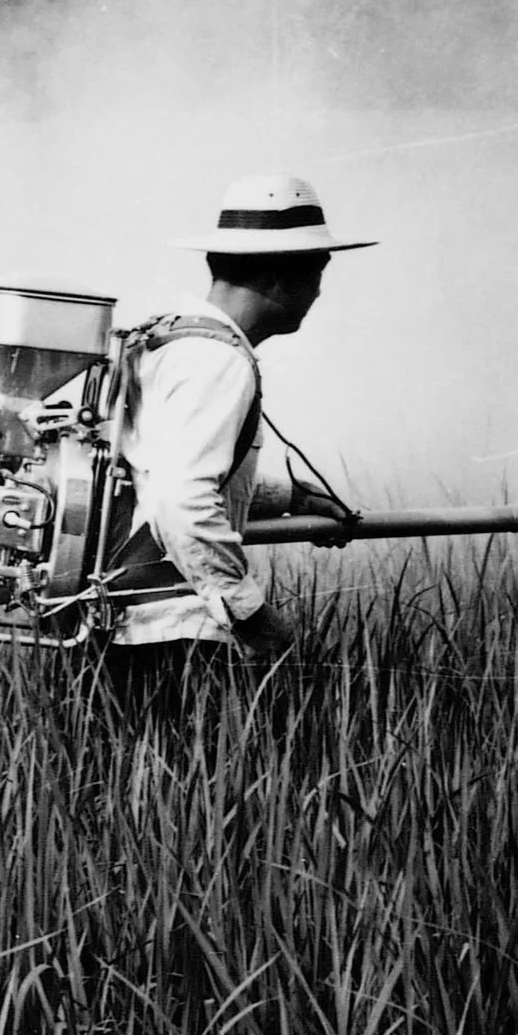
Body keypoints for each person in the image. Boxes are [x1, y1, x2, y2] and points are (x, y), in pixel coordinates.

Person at [91, 173, 372, 713]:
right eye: (316, 272)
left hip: (123, 625)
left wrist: (286, 496)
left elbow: (146, 472)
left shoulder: (168, 335)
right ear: (275, 273)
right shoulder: (217, 361)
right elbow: (180, 500)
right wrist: (252, 614)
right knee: (198, 787)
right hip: (171, 636)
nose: (317, 292)